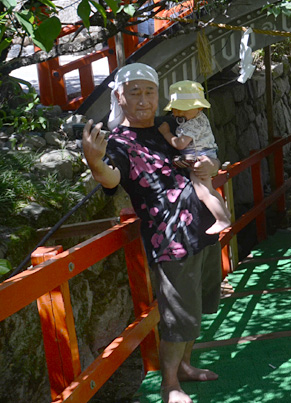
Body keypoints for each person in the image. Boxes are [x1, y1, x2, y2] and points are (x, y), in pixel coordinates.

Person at [81, 63, 222, 403]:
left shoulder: (173, 124)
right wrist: (96, 163)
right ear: (119, 96)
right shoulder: (119, 142)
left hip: (204, 229)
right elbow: (112, 179)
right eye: (135, 92)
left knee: (197, 308)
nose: (143, 100)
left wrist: (209, 166)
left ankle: (186, 366)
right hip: (171, 240)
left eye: (149, 91)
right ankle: (170, 384)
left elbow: (209, 157)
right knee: (176, 317)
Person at [158, 80, 231, 235]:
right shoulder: (199, 118)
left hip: (201, 157)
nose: (179, 113)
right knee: (209, 189)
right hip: (206, 154)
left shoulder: (193, 124)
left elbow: (180, 144)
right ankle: (225, 214)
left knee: (203, 192)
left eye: (183, 109)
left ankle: (221, 219)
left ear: (198, 107)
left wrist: (166, 134)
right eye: (177, 109)